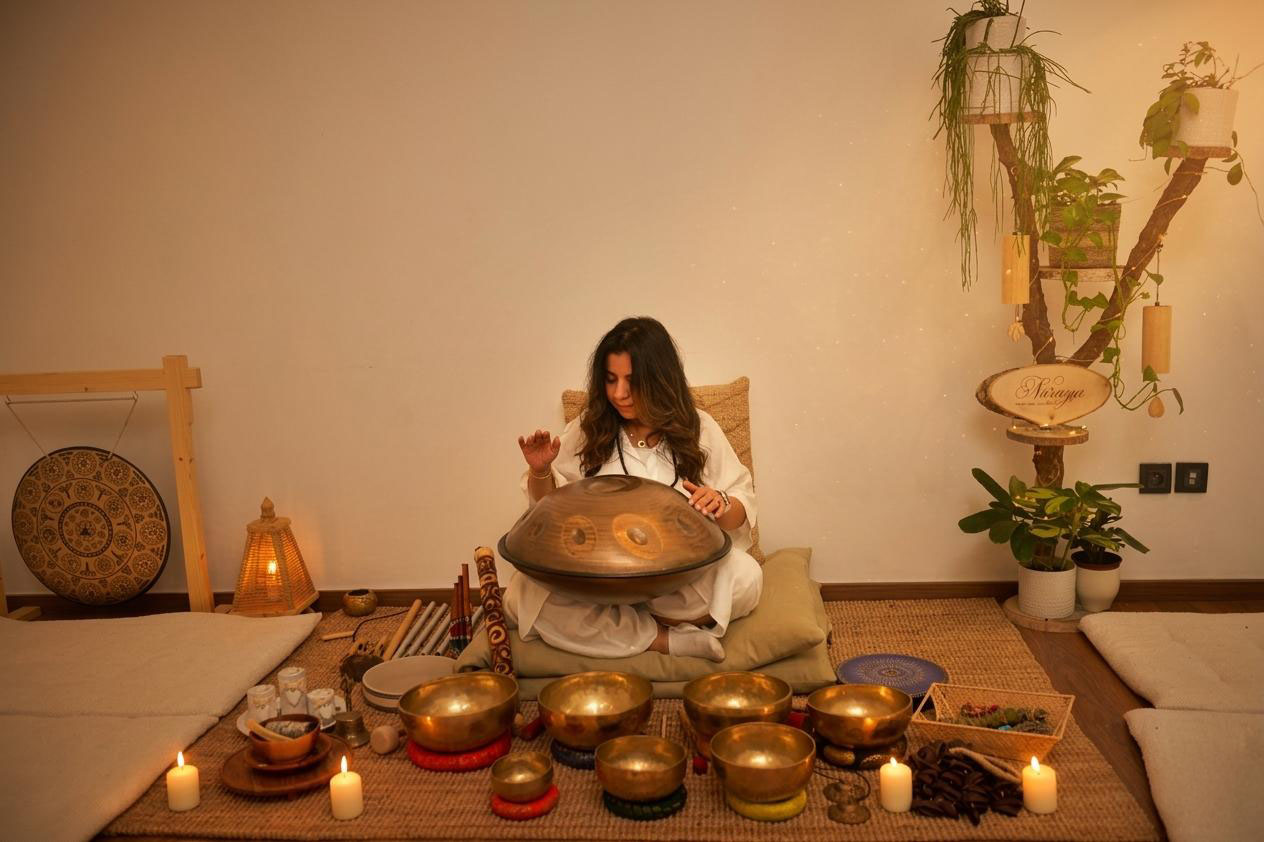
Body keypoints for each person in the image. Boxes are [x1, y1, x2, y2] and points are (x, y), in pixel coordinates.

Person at [505, 316, 760, 662]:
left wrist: (720, 502)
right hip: (599, 582)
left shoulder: (698, 427)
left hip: (676, 582)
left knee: (746, 578)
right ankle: (665, 639)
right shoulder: (586, 429)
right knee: (519, 596)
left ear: (659, 380)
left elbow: (740, 503)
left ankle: (617, 628)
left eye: (632, 382)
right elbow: (549, 511)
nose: (619, 394)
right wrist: (540, 471)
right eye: (611, 381)